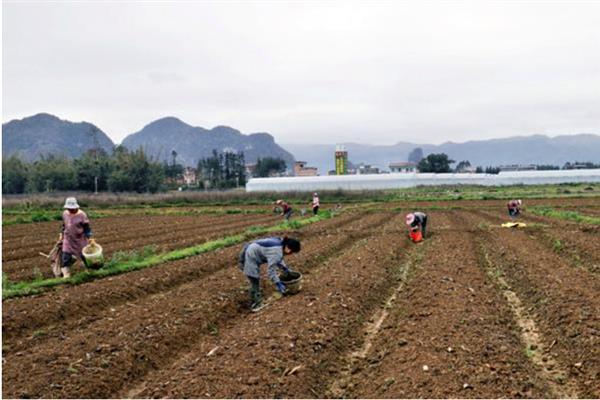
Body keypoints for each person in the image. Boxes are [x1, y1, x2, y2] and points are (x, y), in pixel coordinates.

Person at [238, 236, 301, 312]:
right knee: (254, 278)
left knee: (254, 278)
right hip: (250, 254)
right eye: (292, 252)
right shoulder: (276, 251)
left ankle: (254, 301)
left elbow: (278, 259)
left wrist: (285, 268)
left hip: (251, 248)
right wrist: (278, 283)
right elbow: (271, 270)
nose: (291, 254)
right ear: (288, 248)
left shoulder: (281, 243)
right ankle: (256, 304)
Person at [59, 197, 94, 278]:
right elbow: (64, 225)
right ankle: (66, 274)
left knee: (84, 256)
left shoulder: (82, 215)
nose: (70, 210)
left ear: (76, 207)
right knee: (65, 256)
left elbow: (87, 228)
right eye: (69, 208)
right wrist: (61, 234)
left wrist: (90, 238)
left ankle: (90, 270)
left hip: (80, 239)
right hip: (68, 239)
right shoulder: (65, 213)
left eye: (72, 208)